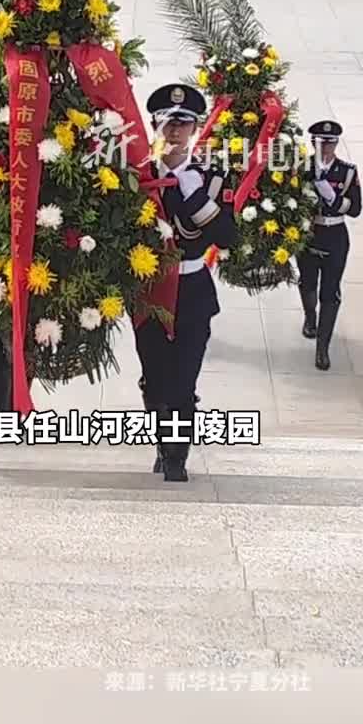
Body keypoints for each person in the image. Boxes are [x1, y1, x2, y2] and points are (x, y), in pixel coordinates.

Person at [135, 84, 237, 482]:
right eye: (167, 123)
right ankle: (164, 441)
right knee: (155, 378)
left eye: (183, 123)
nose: (174, 131)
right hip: (150, 291)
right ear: (155, 125)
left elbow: (227, 236)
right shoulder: (139, 175)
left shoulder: (210, 177)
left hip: (192, 290)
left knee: (183, 380)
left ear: (194, 128)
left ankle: (176, 457)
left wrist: (197, 200)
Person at [297, 120, 361, 371]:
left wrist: (331, 195)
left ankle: (322, 347)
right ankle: (310, 317)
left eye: (331, 142)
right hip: (308, 233)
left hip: (335, 234)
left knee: (330, 292)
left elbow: (355, 209)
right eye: (322, 142)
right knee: (307, 281)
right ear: (313, 142)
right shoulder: (301, 168)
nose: (326, 147)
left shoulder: (347, 171)